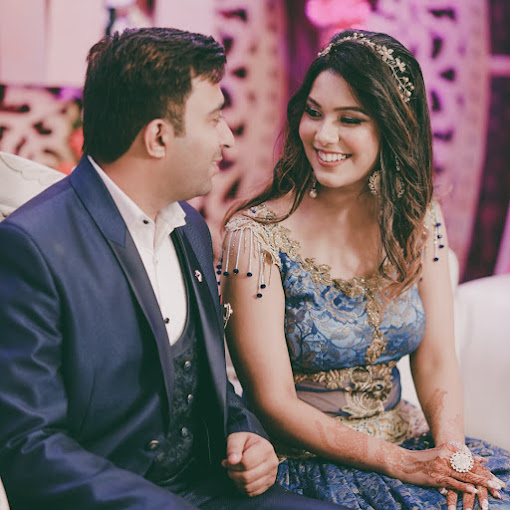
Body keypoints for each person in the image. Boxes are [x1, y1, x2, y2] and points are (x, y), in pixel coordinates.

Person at [0, 27, 347, 510]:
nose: (228, 138)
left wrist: (246, 434)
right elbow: (29, 445)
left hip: (214, 491)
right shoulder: (30, 247)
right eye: (214, 118)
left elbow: (204, 381)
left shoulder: (191, 228)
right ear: (159, 137)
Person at [221, 29, 510, 509]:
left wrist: (452, 456)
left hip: (411, 441)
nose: (323, 135)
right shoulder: (255, 237)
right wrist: (401, 464)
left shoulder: (417, 218)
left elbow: (437, 356)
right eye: (314, 112)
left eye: (349, 119)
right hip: (307, 464)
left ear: (393, 127)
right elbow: (273, 402)